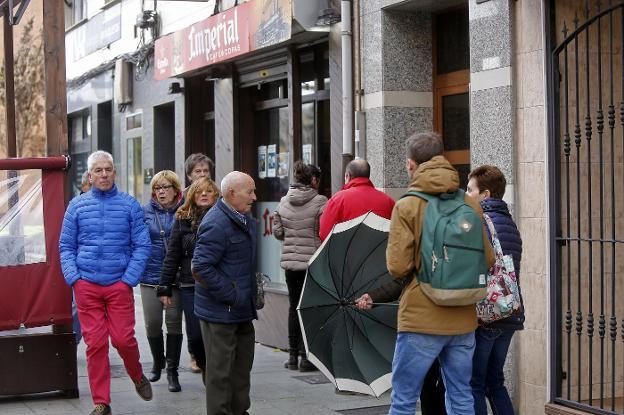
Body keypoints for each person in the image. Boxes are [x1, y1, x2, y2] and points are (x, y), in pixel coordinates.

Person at [385, 132, 493, 415]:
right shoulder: (468, 203)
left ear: (411, 164)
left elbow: (397, 267)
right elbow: (489, 258)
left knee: (404, 400)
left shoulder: (407, 205)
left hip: (421, 317)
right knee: (461, 397)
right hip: (463, 317)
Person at [59, 150, 152, 415]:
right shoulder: (76, 206)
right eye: (98, 170)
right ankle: (102, 402)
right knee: (96, 344)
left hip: (118, 284)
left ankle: (137, 375)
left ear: (114, 172)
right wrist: (74, 279)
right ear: (89, 175)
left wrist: (128, 280)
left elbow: (142, 245)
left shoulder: (129, 205)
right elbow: (65, 246)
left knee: (123, 340)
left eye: (108, 169)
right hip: (86, 284)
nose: (103, 174)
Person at [192, 171, 258, 415]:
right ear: (231, 193)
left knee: (241, 371)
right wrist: (232, 295)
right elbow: (200, 268)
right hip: (221, 313)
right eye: (249, 191)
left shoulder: (243, 218)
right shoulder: (217, 222)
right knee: (220, 375)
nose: (254, 197)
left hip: (241, 312)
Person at [466, 165, 523, 415]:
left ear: (485, 194)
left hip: (487, 315)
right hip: (509, 312)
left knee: (475, 384)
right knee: (495, 382)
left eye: (470, 190)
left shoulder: (481, 222)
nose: (466, 194)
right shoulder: (510, 223)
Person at [158, 177, 220, 385]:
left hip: (215, 285)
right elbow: (173, 254)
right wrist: (165, 285)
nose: (203, 194)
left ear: (215, 195)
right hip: (189, 285)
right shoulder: (182, 218)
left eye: (208, 191)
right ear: (192, 195)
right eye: (199, 191)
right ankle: (203, 364)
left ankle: (213, 373)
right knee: (195, 335)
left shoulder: (222, 218)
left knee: (215, 334)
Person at [355, 280, 447, 415]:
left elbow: (400, 272)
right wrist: (373, 297)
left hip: (426, 324)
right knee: (455, 389)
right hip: (453, 325)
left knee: (408, 392)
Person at [273, 161, 327, 371]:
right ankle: (307, 357)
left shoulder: (283, 202)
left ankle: (292, 357)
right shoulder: (321, 201)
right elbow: (324, 230)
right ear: (313, 180)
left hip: (290, 265)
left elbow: (278, 233)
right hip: (312, 264)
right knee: (309, 309)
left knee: (293, 308)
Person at [140, 170, 184, 392]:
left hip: (175, 279)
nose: (162, 191)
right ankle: (158, 362)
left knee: (174, 322)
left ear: (176, 190)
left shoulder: (184, 211)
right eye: (158, 188)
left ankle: (172, 372)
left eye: (166, 187)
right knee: (153, 324)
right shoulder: (144, 212)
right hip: (150, 277)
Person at [182, 152, 214, 373]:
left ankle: (209, 357)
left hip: (212, 272)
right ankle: (195, 355)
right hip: (188, 272)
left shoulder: (216, 197)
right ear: (189, 175)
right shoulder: (183, 201)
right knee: (193, 324)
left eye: (205, 171)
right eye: (198, 172)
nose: (202, 175)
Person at [319, 159, 395, 241]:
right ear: (368, 176)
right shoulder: (388, 201)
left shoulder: (338, 200)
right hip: (379, 252)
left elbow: (324, 234)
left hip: (347, 252)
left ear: (347, 176)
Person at [72, 170, 92, 345]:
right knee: (76, 309)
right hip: (81, 269)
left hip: (108, 272)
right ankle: (73, 341)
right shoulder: (75, 206)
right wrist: (73, 275)